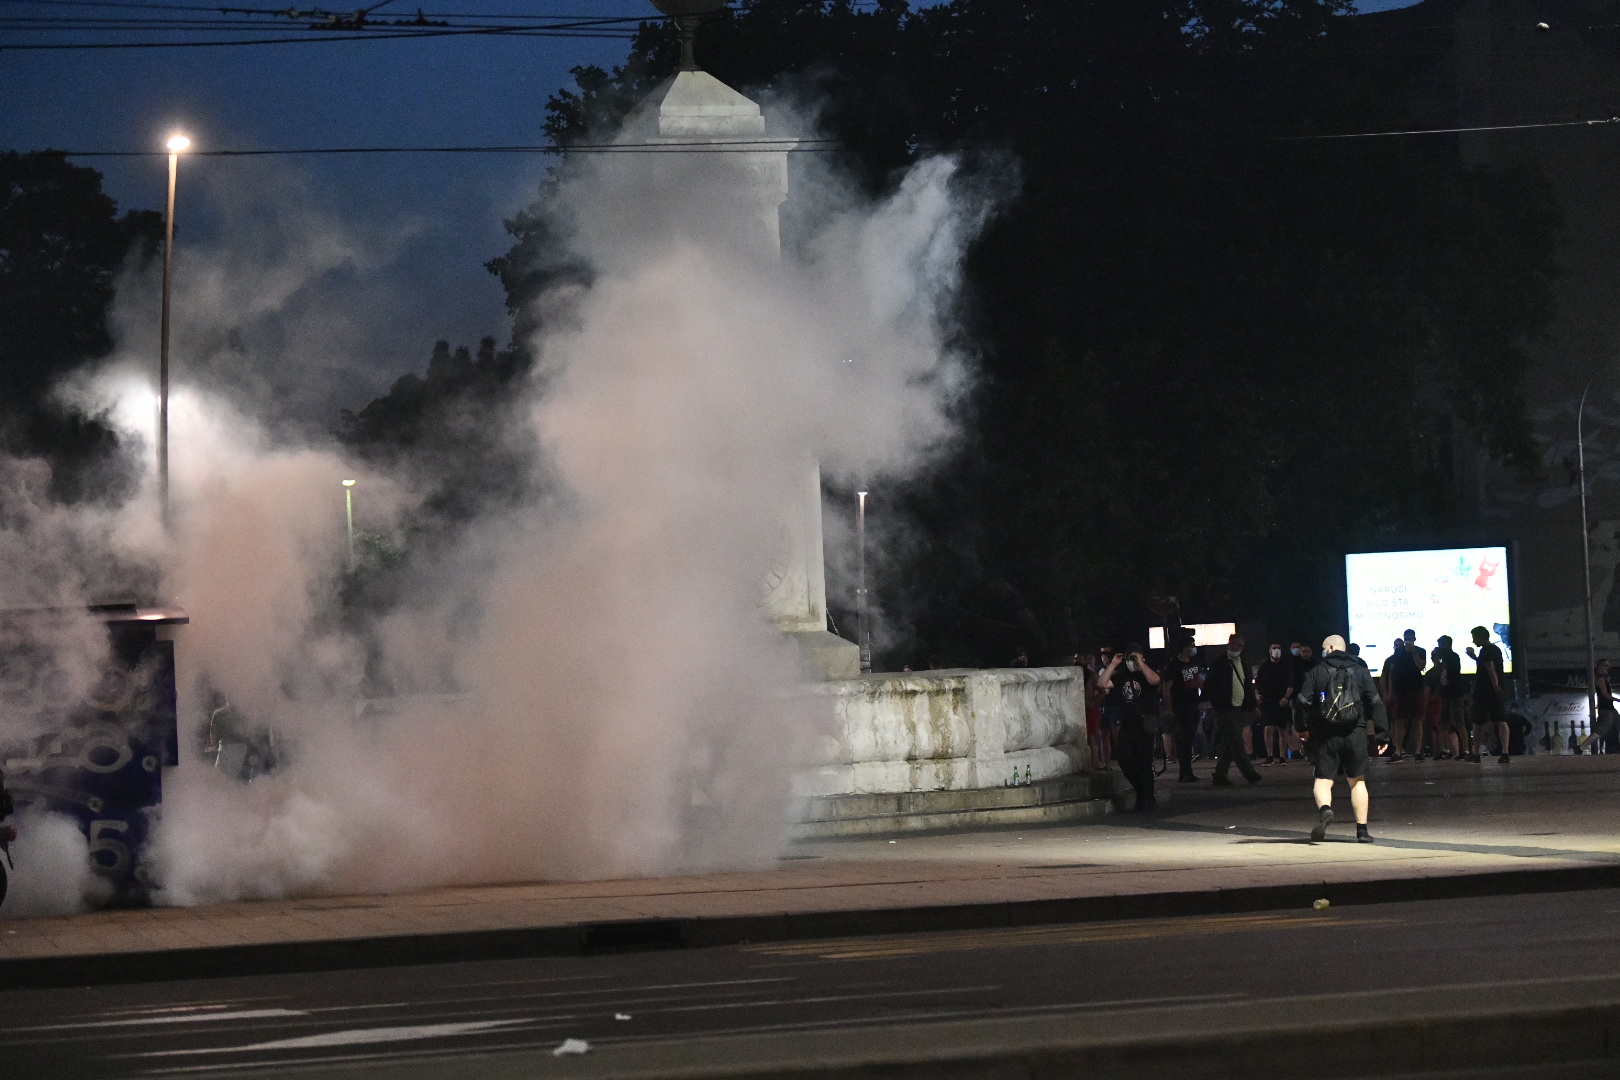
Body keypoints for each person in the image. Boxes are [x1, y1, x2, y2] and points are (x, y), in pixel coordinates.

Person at [1295, 634, 1390, 843]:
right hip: (1355, 731)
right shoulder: (1361, 670)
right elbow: (1376, 703)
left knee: (1323, 780)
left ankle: (1326, 809)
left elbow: (1302, 702)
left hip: (1325, 734)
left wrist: (1301, 729)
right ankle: (1362, 831)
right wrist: (1382, 735)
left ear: (1329, 648)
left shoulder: (1317, 671)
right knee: (1357, 782)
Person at [1098, 643, 1162, 810]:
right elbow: (1102, 683)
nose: (1131, 662)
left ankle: (1148, 797)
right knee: (1125, 759)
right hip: (1128, 724)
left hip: (1146, 725)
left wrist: (1140, 663)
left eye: (1135, 658)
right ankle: (1141, 791)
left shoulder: (1147, 673)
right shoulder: (1123, 676)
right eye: (1130, 659)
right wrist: (1113, 664)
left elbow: (1155, 680)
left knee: (1145, 762)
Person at [1204, 633, 1262, 786]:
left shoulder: (1244, 661)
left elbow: (1248, 685)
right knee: (1235, 741)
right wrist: (1211, 701)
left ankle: (1220, 774)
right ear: (1230, 644)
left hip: (1240, 707)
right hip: (1225, 708)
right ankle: (1249, 773)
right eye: (1237, 645)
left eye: (1241, 646)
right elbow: (1209, 684)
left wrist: (1251, 705)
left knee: (1229, 742)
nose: (1239, 648)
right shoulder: (1219, 663)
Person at [1465, 625, 1510, 764]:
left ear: (1480, 636)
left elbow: (1490, 669)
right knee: (1501, 721)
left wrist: (1495, 686)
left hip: (1484, 691)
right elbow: (1489, 667)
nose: (1473, 641)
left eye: (1474, 638)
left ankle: (1476, 753)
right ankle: (1505, 752)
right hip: (1495, 691)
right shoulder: (1495, 649)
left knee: (1478, 722)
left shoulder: (1486, 651)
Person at [1163, 636, 1204, 782]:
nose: (1193, 648)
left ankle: (1187, 770)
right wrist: (1169, 708)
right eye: (1191, 645)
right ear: (1184, 648)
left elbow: (1199, 680)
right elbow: (1166, 688)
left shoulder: (1194, 662)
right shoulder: (1174, 666)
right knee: (1186, 737)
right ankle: (1185, 770)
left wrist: (1205, 697)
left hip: (1194, 703)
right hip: (1181, 704)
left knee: (1190, 736)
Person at [1381, 636, 1424, 762]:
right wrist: (1389, 692)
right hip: (1401, 691)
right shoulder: (1397, 655)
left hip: (1416, 688)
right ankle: (1398, 750)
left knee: (1417, 720)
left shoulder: (1420, 651)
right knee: (1398, 720)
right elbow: (1391, 673)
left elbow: (1421, 666)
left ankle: (1417, 751)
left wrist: (1413, 652)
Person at [1256, 642, 1294, 765]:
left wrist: (1286, 697)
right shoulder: (1264, 666)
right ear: (1270, 650)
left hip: (1282, 701)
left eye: (1278, 648)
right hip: (1267, 701)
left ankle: (1282, 757)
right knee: (1268, 728)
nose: (1276, 650)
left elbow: (1290, 684)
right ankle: (1270, 756)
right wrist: (1257, 695)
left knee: (1282, 729)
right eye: (1274, 648)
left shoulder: (1286, 666)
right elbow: (1257, 684)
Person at [1434, 635, 1468, 759]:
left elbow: (1440, 668)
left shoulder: (1452, 656)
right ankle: (1446, 749)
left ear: (1446, 644)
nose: (1439, 647)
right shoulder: (1445, 657)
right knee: (1441, 722)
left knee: (1459, 722)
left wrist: (1436, 658)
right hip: (1446, 694)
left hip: (1454, 693)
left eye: (1441, 645)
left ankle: (1466, 750)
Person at [1579, 658, 1620, 754]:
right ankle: (1581, 747)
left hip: (1609, 708)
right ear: (1600, 667)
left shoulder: (1602, 678)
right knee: (1600, 732)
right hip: (1606, 709)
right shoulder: (1600, 679)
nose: (1608, 667)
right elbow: (1605, 694)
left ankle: (1581, 747)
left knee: (1613, 726)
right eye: (1605, 665)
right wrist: (1617, 699)